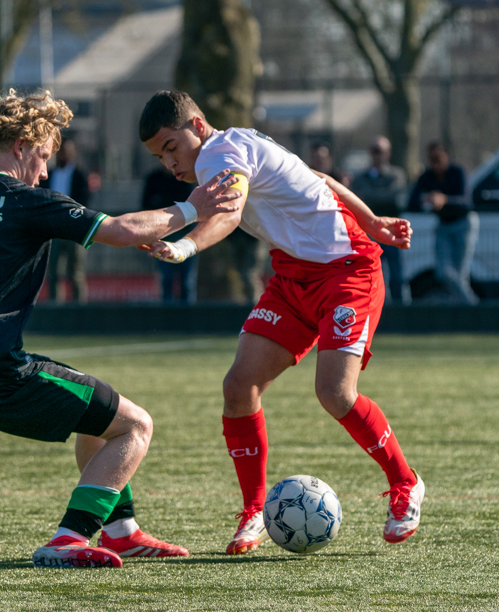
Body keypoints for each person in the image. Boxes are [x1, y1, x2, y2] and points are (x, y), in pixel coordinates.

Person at [0, 90, 242, 568]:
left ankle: (122, 530)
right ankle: (70, 537)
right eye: (43, 155)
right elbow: (124, 232)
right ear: (23, 145)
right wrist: (192, 210)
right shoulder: (26, 200)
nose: (45, 170)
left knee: (101, 416)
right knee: (137, 426)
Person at [138, 90, 423, 555]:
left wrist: (185, 247)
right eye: (158, 155)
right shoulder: (236, 145)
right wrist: (371, 218)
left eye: (171, 146)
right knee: (239, 387)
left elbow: (227, 216)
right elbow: (320, 178)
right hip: (292, 277)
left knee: (334, 393)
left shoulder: (220, 154)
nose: (169, 161)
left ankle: (406, 483)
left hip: (348, 271)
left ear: (197, 125)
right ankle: (253, 511)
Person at [409, 142, 479, 305]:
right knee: (443, 272)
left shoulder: (457, 172)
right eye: (432, 159)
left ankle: (465, 309)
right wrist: (425, 199)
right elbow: (412, 201)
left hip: (463, 224)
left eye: (438, 158)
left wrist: (444, 200)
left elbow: (466, 202)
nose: (435, 163)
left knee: (460, 273)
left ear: (446, 157)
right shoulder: (427, 176)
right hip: (443, 226)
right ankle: (472, 306)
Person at [351, 136, 411, 305]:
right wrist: (380, 196)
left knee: (397, 276)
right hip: (368, 233)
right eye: (374, 151)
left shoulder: (397, 174)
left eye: (381, 151)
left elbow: (395, 197)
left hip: (392, 233)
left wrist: (369, 196)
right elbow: (357, 199)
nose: (377, 155)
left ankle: (401, 312)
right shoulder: (360, 177)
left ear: (388, 153)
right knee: (370, 274)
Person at [40, 139, 96, 302]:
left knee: (76, 273)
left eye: (67, 151)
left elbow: (85, 199)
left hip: (73, 231)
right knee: (53, 273)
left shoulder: (79, 175)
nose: (63, 154)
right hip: (54, 230)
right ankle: (55, 308)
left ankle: (79, 311)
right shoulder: (49, 174)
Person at [141, 166, 198, 302]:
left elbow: (193, 208)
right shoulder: (153, 179)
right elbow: (145, 205)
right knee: (166, 278)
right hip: (162, 237)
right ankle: (167, 318)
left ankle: (188, 318)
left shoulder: (185, 178)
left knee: (187, 281)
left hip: (184, 235)